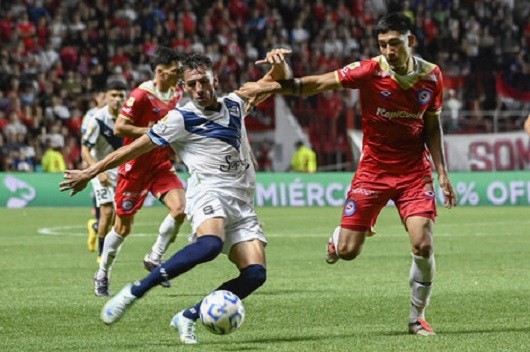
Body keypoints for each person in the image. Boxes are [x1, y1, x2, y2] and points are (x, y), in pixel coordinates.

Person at [241, 13, 457, 336]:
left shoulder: (431, 77)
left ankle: (416, 318)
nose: (388, 51)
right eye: (383, 44)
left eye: (395, 44)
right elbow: (319, 83)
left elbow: (432, 125)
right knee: (347, 252)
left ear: (410, 42)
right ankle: (337, 237)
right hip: (373, 170)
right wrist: (273, 86)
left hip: (414, 171)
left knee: (423, 244)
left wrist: (442, 172)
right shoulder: (370, 70)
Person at [60, 48, 291, 344]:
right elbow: (130, 148)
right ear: (182, 87)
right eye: (191, 84)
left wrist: (279, 63)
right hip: (208, 193)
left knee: (256, 274)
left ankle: (188, 316)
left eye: (203, 82)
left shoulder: (237, 102)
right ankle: (135, 291)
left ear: (214, 80)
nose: (198, 89)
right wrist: (90, 172)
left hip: (242, 205)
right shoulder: (179, 119)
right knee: (210, 244)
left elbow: (278, 80)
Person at [101, 46, 186, 294]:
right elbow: (120, 127)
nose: (179, 74)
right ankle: (102, 273)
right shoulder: (140, 95)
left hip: (160, 165)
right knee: (122, 228)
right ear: (160, 71)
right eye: (175, 71)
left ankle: (154, 258)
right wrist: (153, 132)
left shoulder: (176, 94)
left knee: (180, 210)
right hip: (135, 167)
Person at [81, 80, 127, 295]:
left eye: (120, 95)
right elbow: (85, 150)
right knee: (107, 212)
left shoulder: (129, 116)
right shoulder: (97, 120)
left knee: (121, 217)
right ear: (106, 96)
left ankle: (95, 230)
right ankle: (102, 256)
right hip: (101, 171)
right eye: (113, 95)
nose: (117, 99)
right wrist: (98, 171)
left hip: (122, 172)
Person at [80, 89, 106, 253]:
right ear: (97, 98)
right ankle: (102, 253)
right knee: (106, 207)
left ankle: (95, 226)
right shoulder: (91, 116)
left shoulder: (117, 113)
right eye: (103, 96)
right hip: (96, 162)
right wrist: (86, 162)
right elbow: (85, 141)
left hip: (116, 162)